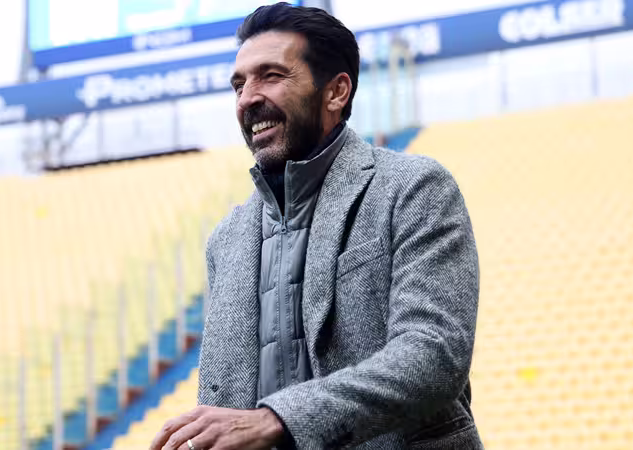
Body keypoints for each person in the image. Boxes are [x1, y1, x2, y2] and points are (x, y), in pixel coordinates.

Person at [151, 3, 482, 449]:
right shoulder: (225, 240)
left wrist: (277, 419)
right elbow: (225, 407)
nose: (247, 98)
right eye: (239, 85)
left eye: (270, 75)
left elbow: (434, 355)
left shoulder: (413, 188)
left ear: (336, 92)